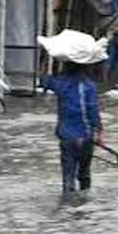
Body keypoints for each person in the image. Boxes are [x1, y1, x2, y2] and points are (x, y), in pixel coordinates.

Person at [40, 62, 104, 196]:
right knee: (84, 174)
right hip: (85, 136)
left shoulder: (62, 84)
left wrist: (49, 67)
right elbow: (93, 111)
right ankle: (84, 207)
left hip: (66, 137)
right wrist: (99, 131)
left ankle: (67, 206)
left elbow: (45, 81)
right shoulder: (89, 85)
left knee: (68, 177)